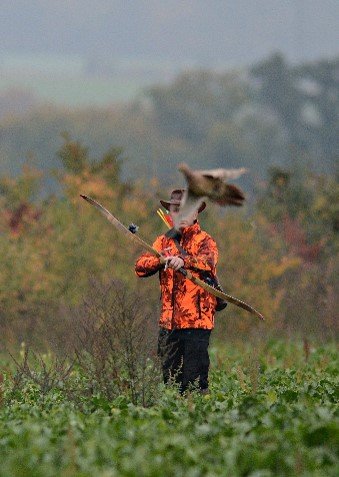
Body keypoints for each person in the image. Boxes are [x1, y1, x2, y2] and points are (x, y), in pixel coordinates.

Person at [135, 189, 220, 394]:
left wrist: (184, 260)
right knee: (170, 384)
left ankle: (200, 422)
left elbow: (208, 262)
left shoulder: (205, 241)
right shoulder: (162, 242)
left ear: (195, 213)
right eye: (176, 211)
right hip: (168, 324)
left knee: (194, 385)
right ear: (170, 214)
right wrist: (160, 260)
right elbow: (140, 266)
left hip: (196, 325)